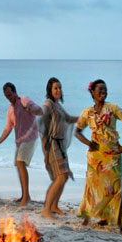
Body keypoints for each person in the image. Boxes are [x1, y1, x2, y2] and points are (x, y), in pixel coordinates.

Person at [74, 79, 122, 232]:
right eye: (100, 90)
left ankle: (118, 223)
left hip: (113, 155)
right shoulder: (87, 112)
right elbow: (76, 131)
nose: (103, 92)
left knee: (115, 188)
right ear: (92, 92)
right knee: (93, 188)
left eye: (105, 90)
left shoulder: (113, 108)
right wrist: (88, 143)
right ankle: (92, 218)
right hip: (95, 156)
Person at [0, 82, 43, 207]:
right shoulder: (10, 110)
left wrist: (30, 109)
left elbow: (39, 110)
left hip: (30, 137)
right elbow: (7, 129)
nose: (8, 97)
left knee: (20, 163)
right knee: (19, 166)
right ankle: (25, 195)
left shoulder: (24, 100)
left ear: (14, 92)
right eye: (6, 96)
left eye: (10, 94)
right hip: (19, 141)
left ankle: (26, 197)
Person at [40, 77, 78, 220]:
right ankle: (46, 210)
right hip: (53, 144)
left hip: (61, 145)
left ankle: (54, 206)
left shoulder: (58, 106)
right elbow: (42, 126)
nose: (58, 90)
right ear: (49, 90)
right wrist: (45, 149)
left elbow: (68, 119)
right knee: (61, 176)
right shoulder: (48, 105)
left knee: (64, 175)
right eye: (55, 88)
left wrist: (86, 117)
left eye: (60, 88)